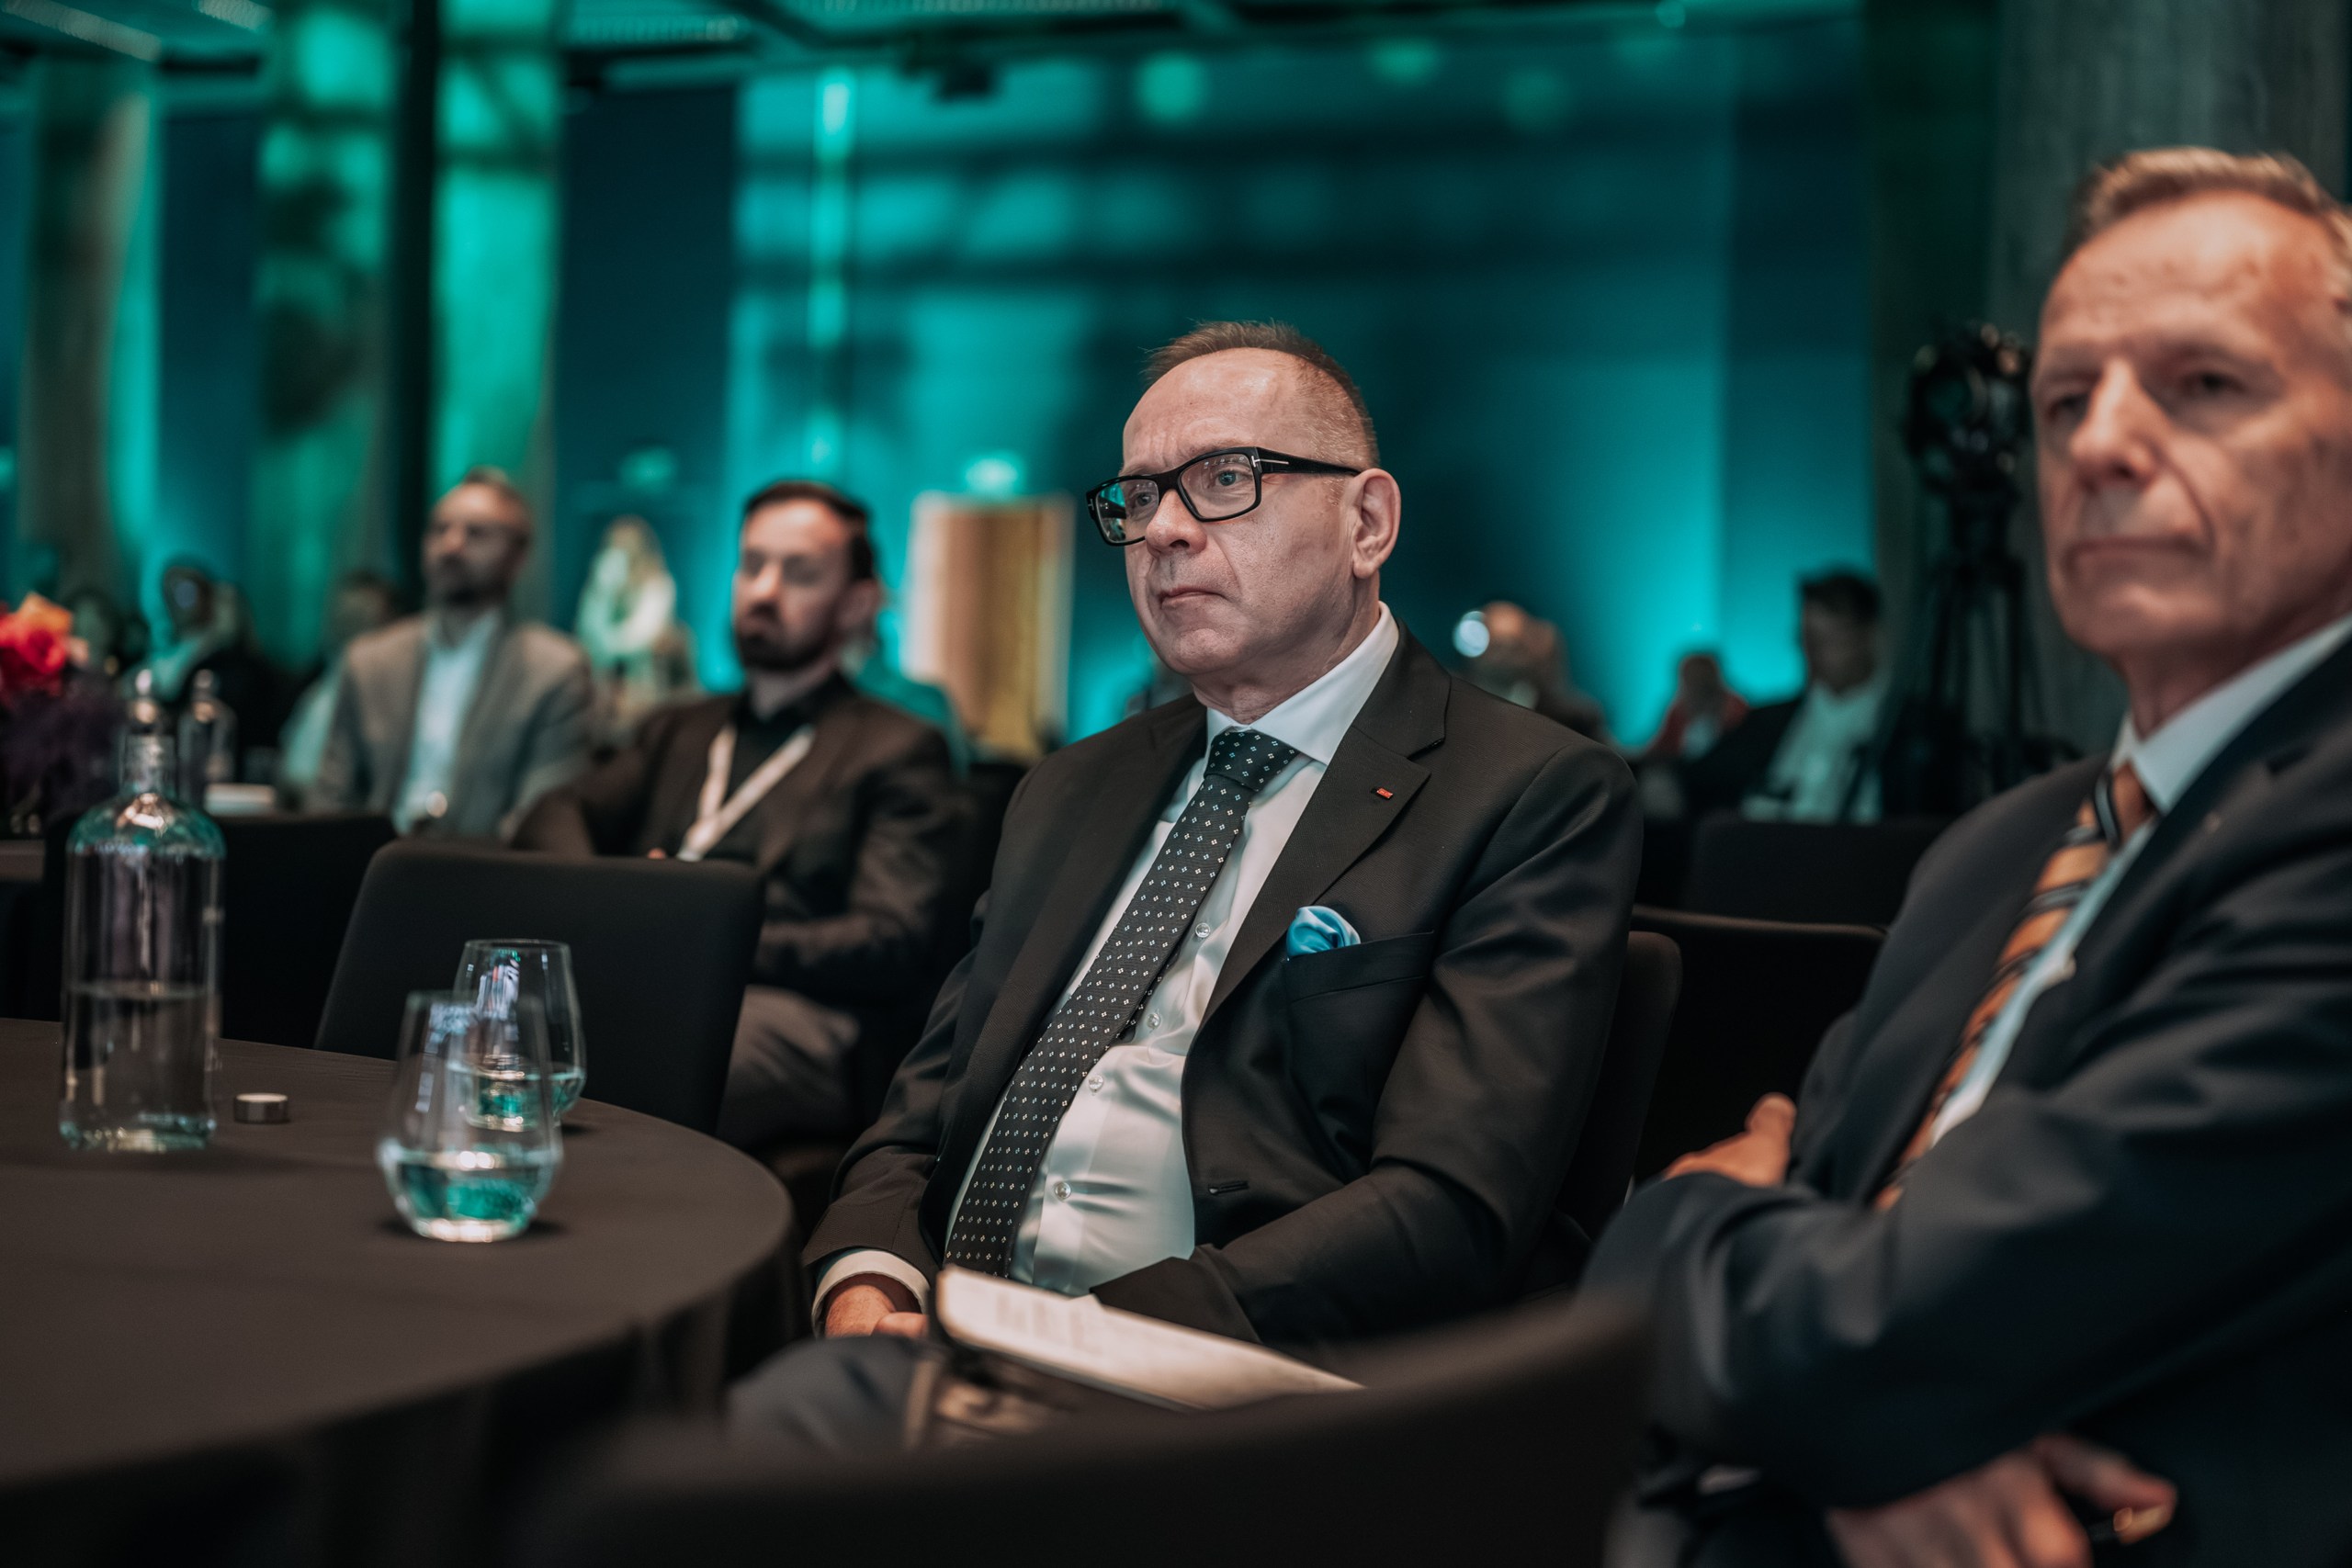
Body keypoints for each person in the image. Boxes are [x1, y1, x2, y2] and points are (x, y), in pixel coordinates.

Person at [1591, 148, 2352, 1568]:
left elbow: (1877, 1323)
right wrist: (1860, 1414)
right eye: (2064, 401)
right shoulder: (1998, 846)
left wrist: (1678, 1219)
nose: (2101, 444)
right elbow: (1857, 1323)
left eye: (2203, 383)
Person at [732, 320, 1637, 1440]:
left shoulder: (1526, 792)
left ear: (1365, 523)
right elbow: (925, 1110)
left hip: (1247, 1392)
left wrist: (1062, 1340)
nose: (1161, 529)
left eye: (1224, 480)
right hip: (953, 1348)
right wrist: (870, 1278)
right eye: (1138, 496)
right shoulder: (1071, 788)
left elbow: (1447, 1204)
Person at [516, 480, 961, 1146]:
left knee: (649, 1052)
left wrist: (706, 930)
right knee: (502, 1027)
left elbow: (889, 939)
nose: (764, 590)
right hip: (647, 975)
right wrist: (611, 901)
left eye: (800, 572)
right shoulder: (679, 729)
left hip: (795, 1010)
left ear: (856, 603)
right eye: (752, 564)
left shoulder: (897, 747)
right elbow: (558, 808)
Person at [312, 468, 592, 838]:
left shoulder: (553, 670)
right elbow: (331, 799)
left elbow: (541, 817)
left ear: (518, 555)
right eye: (439, 529)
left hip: (487, 867)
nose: (452, 545)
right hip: (373, 863)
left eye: (477, 533)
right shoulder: (370, 661)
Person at [1682, 571, 1887, 823]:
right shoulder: (1767, 723)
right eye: (1807, 639)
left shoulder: (1906, 728)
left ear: (1866, 634)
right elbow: (1702, 777)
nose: (1812, 652)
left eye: (1827, 639)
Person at [130, 558, 286, 749]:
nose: (177, 601)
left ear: (207, 597)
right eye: (169, 592)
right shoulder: (159, 651)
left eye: (186, 592)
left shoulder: (231, 663)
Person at [573, 515, 699, 750]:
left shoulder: (658, 583)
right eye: (614, 546)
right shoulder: (604, 584)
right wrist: (604, 588)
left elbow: (639, 638)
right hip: (604, 693)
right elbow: (588, 631)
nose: (619, 552)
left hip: (649, 688)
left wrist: (606, 644)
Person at [277, 570, 399, 807]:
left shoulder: (386, 688)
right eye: (341, 613)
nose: (346, 623)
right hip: (293, 804)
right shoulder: (316, 678)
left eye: (359, 614)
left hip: (343, 813)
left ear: (388, 620)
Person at [1464, 599, 1609, 740]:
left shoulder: (1575, 718)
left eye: (1515, 645)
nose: (1504, 655)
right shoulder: (1457, 707)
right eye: (1497, 645)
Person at [1636, 650, 1749, 819]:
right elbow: (1660, 747)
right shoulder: (1679, 710)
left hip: (1723, 786)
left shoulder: (1735, 707)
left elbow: (1742, 752)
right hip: (1684, 784)